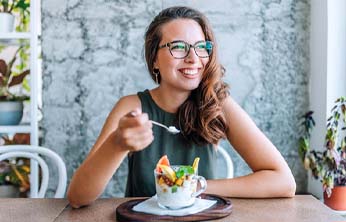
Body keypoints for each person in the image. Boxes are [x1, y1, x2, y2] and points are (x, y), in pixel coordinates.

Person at [67, 6, 296, 208]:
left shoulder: (217, 104)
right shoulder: (132, 106)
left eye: (201, 47)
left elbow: (284, 182)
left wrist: (197, 185)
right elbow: (78, 197)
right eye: (178, 47)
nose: (193, 58)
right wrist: (116, 144)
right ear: (154, 58)